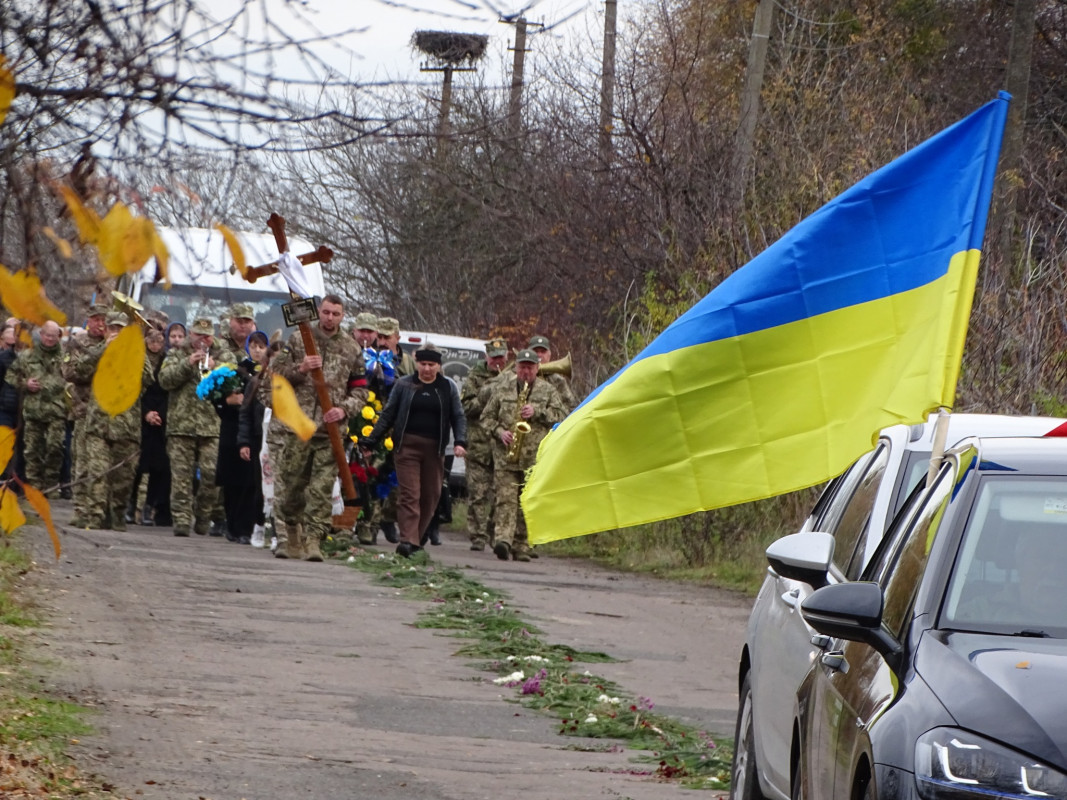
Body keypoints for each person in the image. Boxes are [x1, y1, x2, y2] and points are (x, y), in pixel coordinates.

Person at [271, 294, 367, 561]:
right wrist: (301, 368)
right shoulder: (300, 338)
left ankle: (314, 539)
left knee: (322, 489)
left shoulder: (351, 348)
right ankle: (291, 533)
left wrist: (344, 409)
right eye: (325, 312)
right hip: (299, 425)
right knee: (292, 486)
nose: (329, 318)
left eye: (335, 314)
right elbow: (277, 373)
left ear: (343, 316)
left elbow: (360, 390)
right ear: (318, 312)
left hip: (331, 432)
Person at [360, 346, 467, 558]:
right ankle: (407, 540)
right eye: (423, 364)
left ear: (438, 366)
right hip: (407, 446)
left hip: (435, 449)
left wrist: (461, 441)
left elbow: (458, 416)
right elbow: (388, 414)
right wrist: (371, 440)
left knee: (431, 495)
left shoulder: (447, 387)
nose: (426, 369)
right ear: (417, 364)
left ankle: (416, 538)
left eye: (431, 365)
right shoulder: (404, 384)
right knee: (410, 494)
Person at [482, 349, 566, 562]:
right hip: (505, 456)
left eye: (530, 367)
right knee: (505, 499)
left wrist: (538, 412)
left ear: (538, 369)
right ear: (516, 367)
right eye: (522, 367)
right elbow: (485, 418)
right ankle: (503, 540)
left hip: (534, 457)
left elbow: (562, 418)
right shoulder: (502, 389)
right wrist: (500, 432)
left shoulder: (548, 391)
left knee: (526, 502)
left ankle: (522, 545)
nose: (525, 371)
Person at [80, 312, 152, 530]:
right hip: (98, 424)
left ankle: (118, 515)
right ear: (106, 331)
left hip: (126, 425)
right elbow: (80, 370)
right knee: (97, 471)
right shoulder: (95, 350)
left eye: (121, 329)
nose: (116, 333)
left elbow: (148, 378)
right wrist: (105, 349)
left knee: (123, 477)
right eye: (113, 329)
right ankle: (95, 516)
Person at [158, 317, 224, 537]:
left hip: (212, 426)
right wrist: (187, 364)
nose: (202, 341)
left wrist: (217, 369)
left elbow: (235, 382)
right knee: (181, 476)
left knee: (211, 474)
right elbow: (165, 380)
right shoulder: (176, 353)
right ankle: (182, 519)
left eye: (206, 336)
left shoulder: (223, 353)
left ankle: (203, 516)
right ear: (190, 335)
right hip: (181, 425)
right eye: (197, 336)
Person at [213, 330, 267, 545]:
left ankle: (246, 527)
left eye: (261, 346)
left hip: (255, 433)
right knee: (231, 482)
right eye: (253, 345)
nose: (257, 350)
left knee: (250, 483)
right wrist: (228, 401)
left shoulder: (268, 373)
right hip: (232, 431)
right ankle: (232, 525)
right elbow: (217, 400)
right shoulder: (236, 371)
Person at [5, 320, 67, 493]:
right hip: (33, 410)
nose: (50, 339)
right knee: (32, 450)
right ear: (41, 335)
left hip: (56, 409)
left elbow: (73, 376)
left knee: (55, 447)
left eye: (54, 336)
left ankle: (51, 483)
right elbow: (10, 376)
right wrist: (25, 383)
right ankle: (34, 486)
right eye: (47, 335)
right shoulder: (28, 355)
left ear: (58, 337)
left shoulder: (64, 356)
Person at [62, 303, 109, 525]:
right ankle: (80, 510)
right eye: (96, 319)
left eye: (104, 319)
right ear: (88, 321)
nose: (101, 324)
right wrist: (101, 351)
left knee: (103, 465)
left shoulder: (116, 342)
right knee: (82, 462)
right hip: (84, 410)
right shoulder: (77, 343)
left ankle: (100, 511)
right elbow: (71, 372)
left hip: (109, 412)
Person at [460, 336, 509, 551]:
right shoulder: (474, 376)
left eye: (501, 358)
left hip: (502, 445)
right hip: (479, 444)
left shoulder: (511, 376)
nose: (497, 363)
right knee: (478, 493)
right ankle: (477, 537)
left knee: (501, 494)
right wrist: (485, 395)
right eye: (493, 358)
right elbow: (466, 408)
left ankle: (493, 533)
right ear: (486, 357)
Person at [130, 324, 170, 526]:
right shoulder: (138, 359)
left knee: (158, 467)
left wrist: (158, 415)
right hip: (140, 417)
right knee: (136, 466)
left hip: (161, 420)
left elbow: (169, 391)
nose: (155, 345)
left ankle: (149, 507)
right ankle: (131, 505)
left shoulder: (167, 361)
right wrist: (145, 413)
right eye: (151, 341)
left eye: (159, 342)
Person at [238, 331, 271, 548]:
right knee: (259, 487)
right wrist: (244, 442)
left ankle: (278, 532)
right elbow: (245, 413)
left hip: (282, 440)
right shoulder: (256, 382)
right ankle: (257, 526)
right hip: (260, 440)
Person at [528, 334, 577, 410]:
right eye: (536, 351)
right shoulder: (518, 376)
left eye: (543, 351)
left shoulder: (557, 380)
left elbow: (571, 408)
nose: (539, 355)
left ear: (549, 355)